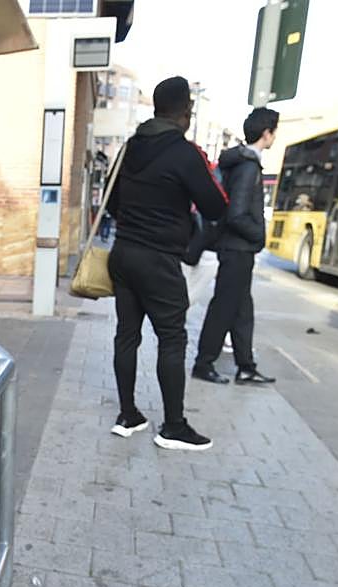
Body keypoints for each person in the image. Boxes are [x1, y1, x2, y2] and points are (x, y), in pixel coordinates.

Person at [103, 76, 228, 451]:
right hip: (159, 259)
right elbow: (216, 206)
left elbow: (111, 202)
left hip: (123, 253)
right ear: (185, 112)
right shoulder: (185, 153)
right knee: (172, 338)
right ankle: (173, 425)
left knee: (127, 334)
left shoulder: (129, 148)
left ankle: (129, 415)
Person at [192, 107, 281, 385]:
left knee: (242, 309)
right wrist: (258, 237)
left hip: (235, 247)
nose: (275, 136)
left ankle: (246, 366)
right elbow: (237, 213)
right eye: (274, 131)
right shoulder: (248, 166)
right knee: (224, 307)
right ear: (267, 134)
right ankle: (203, 363)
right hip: (238, 247)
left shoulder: (241, 162)